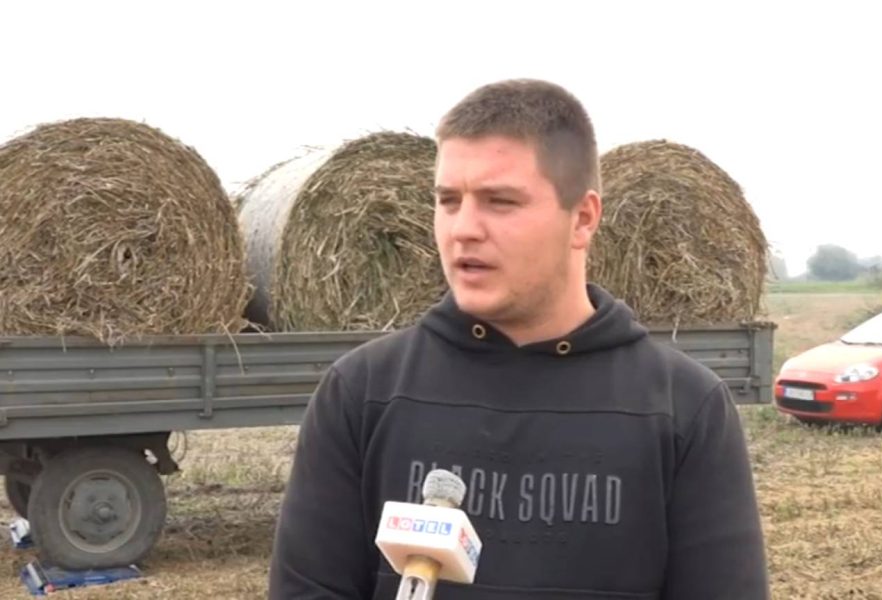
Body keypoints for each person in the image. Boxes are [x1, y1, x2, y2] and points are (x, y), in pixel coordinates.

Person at [268, 79, 770, 599]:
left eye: (500, 201)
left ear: (583, 218)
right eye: (448, 200)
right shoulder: (362, 393)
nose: (463, 229)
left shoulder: (684, 408)